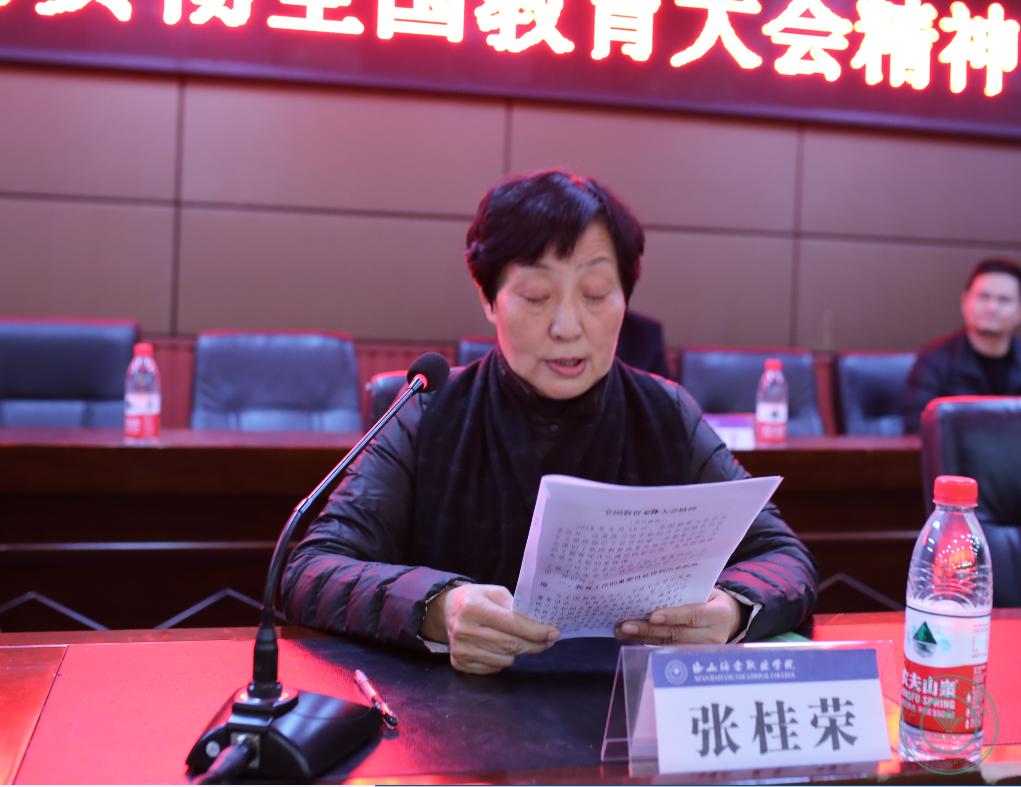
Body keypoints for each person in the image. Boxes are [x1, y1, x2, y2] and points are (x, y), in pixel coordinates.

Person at [283, 169, 817, 675]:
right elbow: (311, 569)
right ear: (489, 299)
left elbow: (783, 557)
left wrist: (732, 609)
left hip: (628, 713)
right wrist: (438, 608)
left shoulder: (665, 413)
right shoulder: (428, 412)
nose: (567, 326)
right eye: (537, 297)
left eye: (595, 294)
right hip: (457, 716)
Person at [903, 258, 1021, 434]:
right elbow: (918, 430)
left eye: (1003, 300)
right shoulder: (933, 362)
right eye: (983, 297)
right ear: (965, 302)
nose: (992, 307)